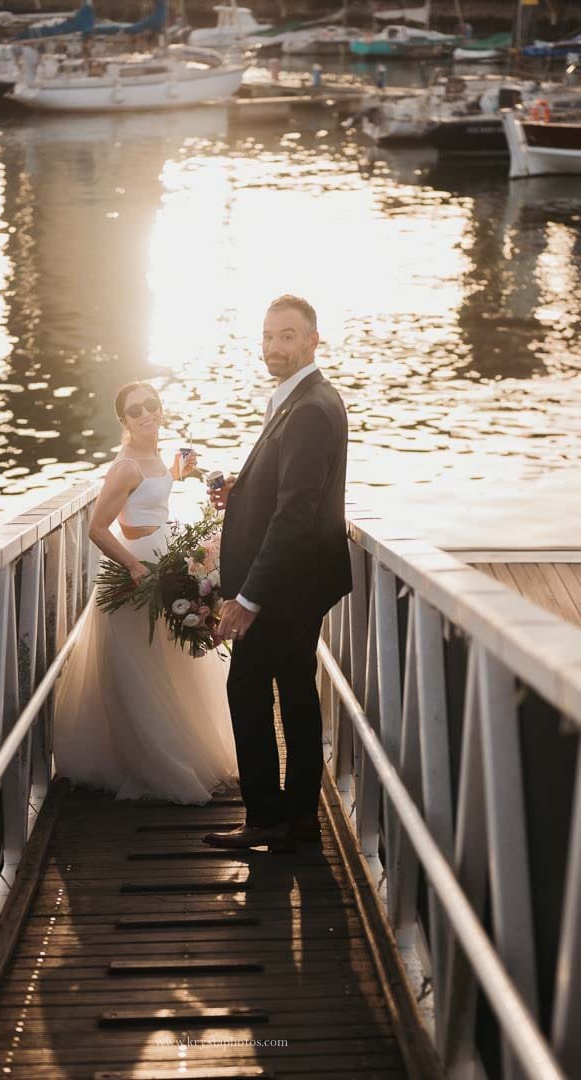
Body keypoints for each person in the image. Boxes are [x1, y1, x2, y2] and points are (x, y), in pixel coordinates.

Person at [203, 295, 352, 852]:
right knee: (294, 692)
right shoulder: (298, 400)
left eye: (287, 336)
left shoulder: (312, 408)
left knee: (249, 689)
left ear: (313, 340)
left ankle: (268, 818)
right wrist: (241, 493)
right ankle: (299, 821)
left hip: (285, 587)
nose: (274, 347)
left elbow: (296, 513)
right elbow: (289, 492)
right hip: (298, 580)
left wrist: (249, 597)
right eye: (268, 336)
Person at [53, 381, 238, 803]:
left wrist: (176, 473)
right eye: (135, 411)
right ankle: (158, 765)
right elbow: (98, 527)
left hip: (166, 560)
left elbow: (150, 497)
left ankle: (185, 752)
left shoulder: (153, 457)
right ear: (124, 420)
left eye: (151, 406)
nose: (145, 415)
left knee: (171, 668)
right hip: (139, 573)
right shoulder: (124, 467)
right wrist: (134, 564)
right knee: (143, 673)